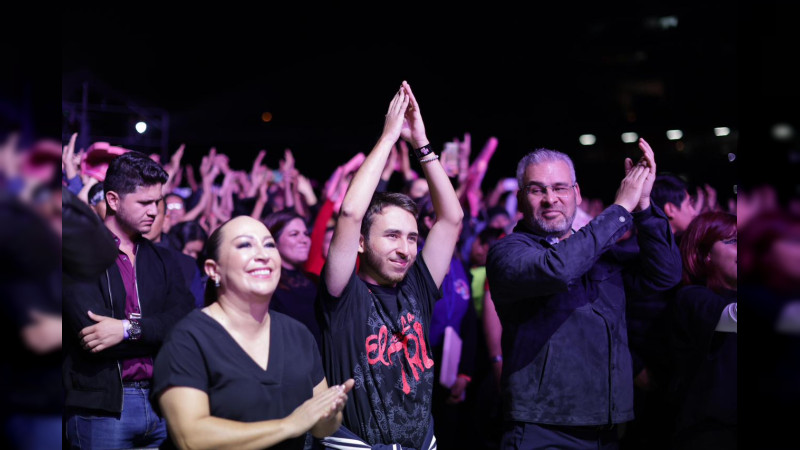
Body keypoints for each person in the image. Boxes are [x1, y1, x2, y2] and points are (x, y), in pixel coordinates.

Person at [486, 139, 682, 449]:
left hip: (606, 426)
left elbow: (666, 273)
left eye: (560, 188)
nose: (551, 199)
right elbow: (559, 269)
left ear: (576, 194)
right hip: (542, 427)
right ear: (521, 198)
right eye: (537, 190)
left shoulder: (601, 254)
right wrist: (619, 210)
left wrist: (643, 205)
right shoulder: (508, 253)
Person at [316, 81, 463, 449]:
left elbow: (451, 219)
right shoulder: (342, 294)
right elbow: (350, 212)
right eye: (392, 236)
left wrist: (421, 144)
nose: (406, 249)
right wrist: (388, 137)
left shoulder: (418, 288)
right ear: (362, 243)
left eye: (412, 238)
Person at [152, 215, 353, 450]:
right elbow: (190, 438)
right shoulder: (188, 339)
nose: (263, 255)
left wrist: (330, 414)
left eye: (269, 244)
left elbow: (320, 428)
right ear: (213, 270)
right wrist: (288, 425)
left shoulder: (298, 335)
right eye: (245, 245)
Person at [63, 151, 195, 449]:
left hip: (161, 401)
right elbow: (92, 336)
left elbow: (183, 324)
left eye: (157, 202)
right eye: (144, 203)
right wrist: (156, 330)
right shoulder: (77, 254)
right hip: (102, 408)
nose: (154, 211)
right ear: (112, 200)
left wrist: (125, 328)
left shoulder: (163, 259)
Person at [669, 212, 737, 449]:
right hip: (709, 433)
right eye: (733, 241)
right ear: (705, 254)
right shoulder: (693, 297)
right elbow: (731, 318)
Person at [263, 209, 322, 349]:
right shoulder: (268, 285)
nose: (304, 240)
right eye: (294, 234)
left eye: (306, 234)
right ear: (274, 242)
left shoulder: (315, 281)